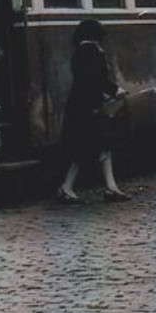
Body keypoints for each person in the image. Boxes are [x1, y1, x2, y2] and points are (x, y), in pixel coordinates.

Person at [56, 19, 131, 204]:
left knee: (90, 148)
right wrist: (115, 90)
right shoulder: (92, 52)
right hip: (89, 108)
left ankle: (107, 187)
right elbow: (96, 79)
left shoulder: (80, 52)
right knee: (94, 147)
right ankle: (72, 187)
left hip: (81, 107)